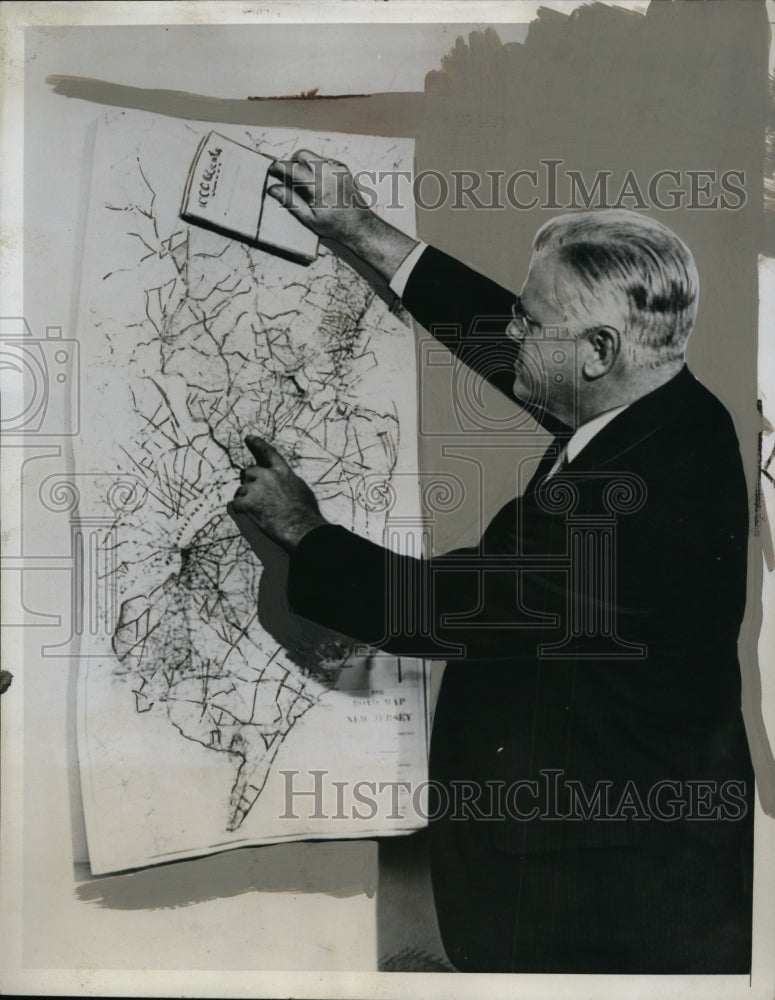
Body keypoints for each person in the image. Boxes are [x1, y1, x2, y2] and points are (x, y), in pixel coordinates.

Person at [228, 151, 755, 973]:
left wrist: (304, 530)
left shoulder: (624, 520)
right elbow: (515, 345)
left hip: (604, 906)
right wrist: (363, 232)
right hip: (639, 846)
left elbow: (432, 607)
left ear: (598, 351)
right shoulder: (673, 412)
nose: (509, 332)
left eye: (528, 320)